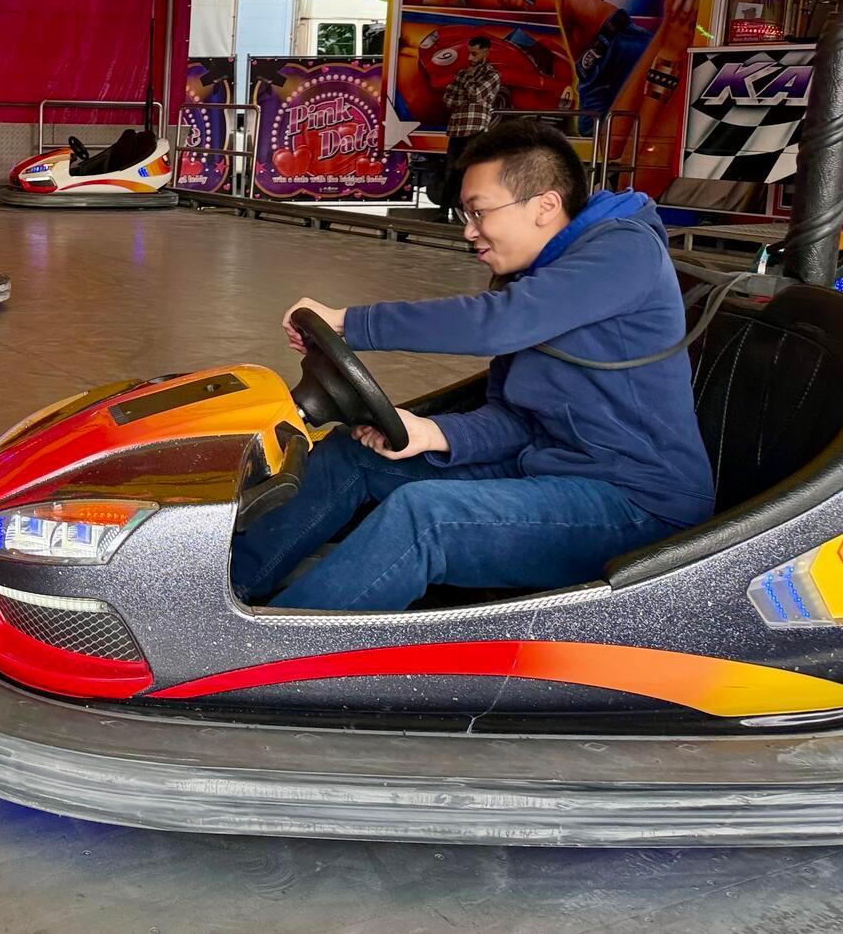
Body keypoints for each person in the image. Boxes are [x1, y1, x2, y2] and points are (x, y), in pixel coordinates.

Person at [231, 119, 714, 612]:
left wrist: (352, 323)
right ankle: (224, 595)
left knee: (426, 518)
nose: (469, 231)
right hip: (547, 468)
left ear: (545, 205)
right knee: (350, 455)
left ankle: (244, 665)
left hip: (635, 501)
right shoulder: (541, 275)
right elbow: (516, 416)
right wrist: (430, 433)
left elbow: (499, 325)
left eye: (479, 212)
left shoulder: (625, 251)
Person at [434, 34, 503, 220]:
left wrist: (470, 82)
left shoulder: (492, 75)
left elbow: (477, 96)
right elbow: (448, 99)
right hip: (457, 127)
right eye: (469, 53)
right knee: (451, 171)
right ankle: (443, 211)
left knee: (468, 172)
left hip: (476, 128)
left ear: (486, 53)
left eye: (474, 54)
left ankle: (461, 213)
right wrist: (466, 93)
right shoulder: (461, 73)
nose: (470, 58)